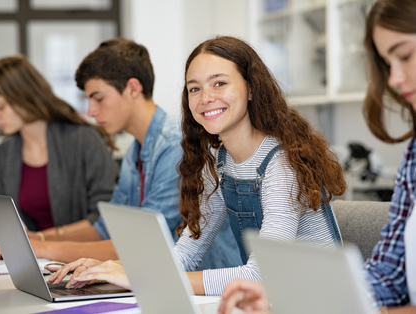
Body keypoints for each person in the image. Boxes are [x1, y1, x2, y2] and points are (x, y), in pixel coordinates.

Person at [48, 35, 347, 296]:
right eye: (194, 89)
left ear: (252, 89)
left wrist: (143, 278)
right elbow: (185, 255)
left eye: (219, 83)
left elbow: (261, 275)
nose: (206, 98)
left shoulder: (280, 164)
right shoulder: (219, 162)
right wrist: (110, 268)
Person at [219, 0, 416, 313]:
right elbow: (386, 276)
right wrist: (296, 303)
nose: (394, 78)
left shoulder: (277, 163)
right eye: (387, 63)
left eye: (404, 56)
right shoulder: (414, 157)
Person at [26, 37, 242, 270]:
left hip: (207, 290)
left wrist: (42, 247)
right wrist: (37, 239)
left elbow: (140, 242)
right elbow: (106, 228)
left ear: (132, 88)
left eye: (98, 99)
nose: (91, 111)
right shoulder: (135, 151)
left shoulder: (176, 146)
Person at [0, 55, 119, 257]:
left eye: (1, 107)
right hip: (30, 259)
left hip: (83, 259)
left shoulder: (83, 140)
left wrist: (40, 240)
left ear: (24, 97)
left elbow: (105, 215)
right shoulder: (4, 154)